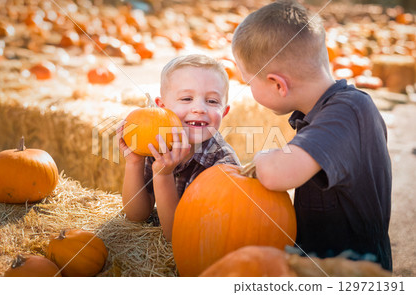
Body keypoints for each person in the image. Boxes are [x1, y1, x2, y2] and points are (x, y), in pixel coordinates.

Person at [231, 0, 392, 270]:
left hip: (350, 273)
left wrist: (261, 158)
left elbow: (276, 174)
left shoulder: (348, 112)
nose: (249, 90)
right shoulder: (322, 113)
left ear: (277, 84)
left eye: (249, 83)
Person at [118, 54, 240, 241]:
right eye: (186, 99)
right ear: (162, 107)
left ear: (224, 111)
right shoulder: (157, 146)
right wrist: (134, 162)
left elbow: (179, 237)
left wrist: (163, 175)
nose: (199, 108)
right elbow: (136, 216)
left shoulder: (223, 165)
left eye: (212, 101)